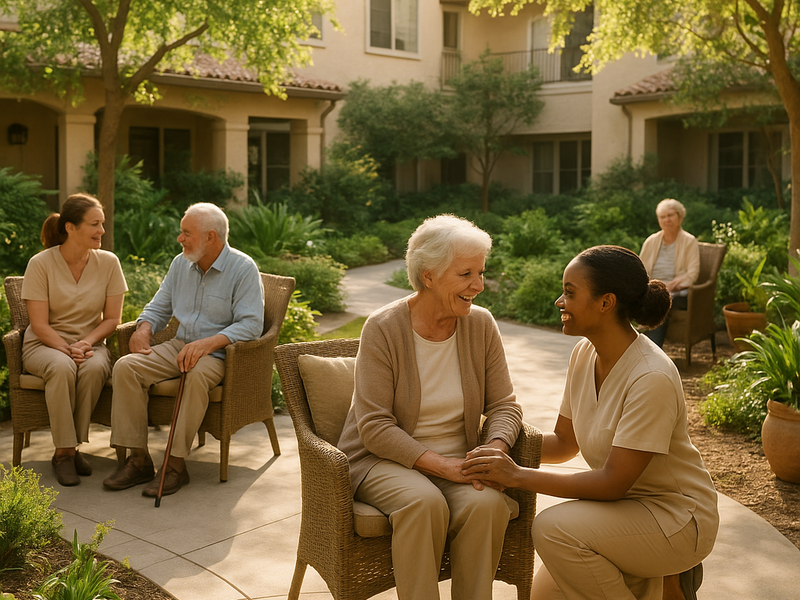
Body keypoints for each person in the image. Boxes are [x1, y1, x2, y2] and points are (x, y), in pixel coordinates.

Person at [462, 245, 719, 600]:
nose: (559, 301)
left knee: (554, 530)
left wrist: (517, 475)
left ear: (605, 302)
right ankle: (658, 585)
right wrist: (493, 444)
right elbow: (564, 444)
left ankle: (670, 574)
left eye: (569, 292)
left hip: (675, 518)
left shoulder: (651, 376)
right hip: (624, 510)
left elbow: (613, 482)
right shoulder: (584, 354)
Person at [336, 214, 523, 600]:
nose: (479, 285)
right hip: (381, 460)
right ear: (429, 276)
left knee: (488, 504)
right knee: (424, 504)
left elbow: (505, 405)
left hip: (459, 457)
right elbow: (374, 426)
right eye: (466, 273)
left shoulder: (481, 326)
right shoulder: (383, 328)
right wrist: (443, 466)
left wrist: (495, 449)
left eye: (481, 272)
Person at [103, 202, 264, 497]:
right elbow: (159, 305)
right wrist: (144, 327)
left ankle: (175, 465)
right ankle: (138, 459)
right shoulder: (181, 264)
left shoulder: (243, 269)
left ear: (211, 237)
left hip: (219, 354)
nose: (180, 239)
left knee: (194, 373)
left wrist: (208, 343)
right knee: (126, 366)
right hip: (179, 345)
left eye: (186, 233)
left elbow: (252, 325)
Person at [21, 193, 127, 487]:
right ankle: (64, 454)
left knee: (93, 368)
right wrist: (67, 349)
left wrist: (85, 344)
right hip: (44, 344)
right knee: (61, 366)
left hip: (90, 344)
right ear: (70, 227)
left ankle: (69, 449)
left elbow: (112, 319)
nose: (102, 231)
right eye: (94, 224)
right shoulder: (40, 264)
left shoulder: (109, 263)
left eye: (102, 224)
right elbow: (39, 325)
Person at [639, 198, 700, 346]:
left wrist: (670, 286)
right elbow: (640, 269)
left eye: (670, 215)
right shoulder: (651, 241)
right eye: (662, 217)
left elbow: (693, 274)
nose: (666, 220)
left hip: (676, 292)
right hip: (650, 288)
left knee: (660, 300)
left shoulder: (689, 241)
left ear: (680, 217)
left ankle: (652, 350)